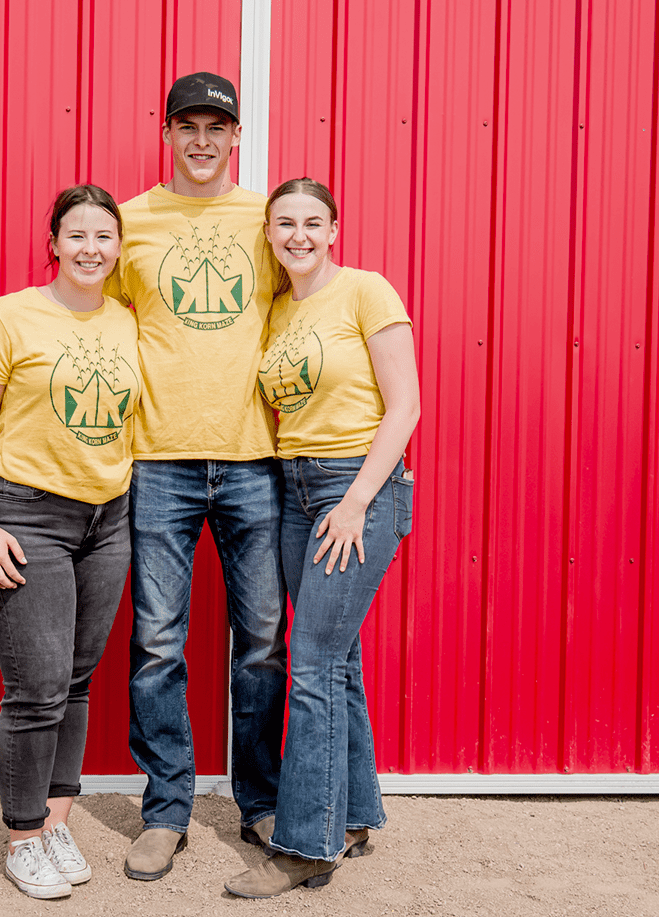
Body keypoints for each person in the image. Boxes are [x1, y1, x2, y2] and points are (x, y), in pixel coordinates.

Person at [107, 72, 288, 881]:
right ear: (169, 133)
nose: (203, 141)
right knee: (156, 643)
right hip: (158, 461)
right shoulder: (130, 221)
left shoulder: (266, 219)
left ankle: (260, 800)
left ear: (236, 137)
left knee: (261, 642)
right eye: (190, 126)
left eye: (218, 127)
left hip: (253, 457)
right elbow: (97, 322)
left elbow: (310, 308)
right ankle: (166, 808)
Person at [225, 178, 420, 898]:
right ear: (270, 234)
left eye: (312, 222)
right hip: (292, 487)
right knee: (335, 660)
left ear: (334, 229)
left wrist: (357, 501)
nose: (298, 235)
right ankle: (357, 813)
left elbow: (405, 405)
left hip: (355, 485)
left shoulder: (368, 291)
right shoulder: (275, 309)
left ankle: (308, 843)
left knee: (309, 661)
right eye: (285, 224)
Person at [0, 185, 140, 899]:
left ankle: (56, 820)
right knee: (35, 689)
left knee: (77, 680)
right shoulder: (7, 318)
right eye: (77, 235)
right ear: (53, 242)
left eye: (104, 236)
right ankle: (23, 835)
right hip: (29, 516)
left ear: (119, 248)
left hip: (108, 519)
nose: (92, 249)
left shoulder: (127, 322)